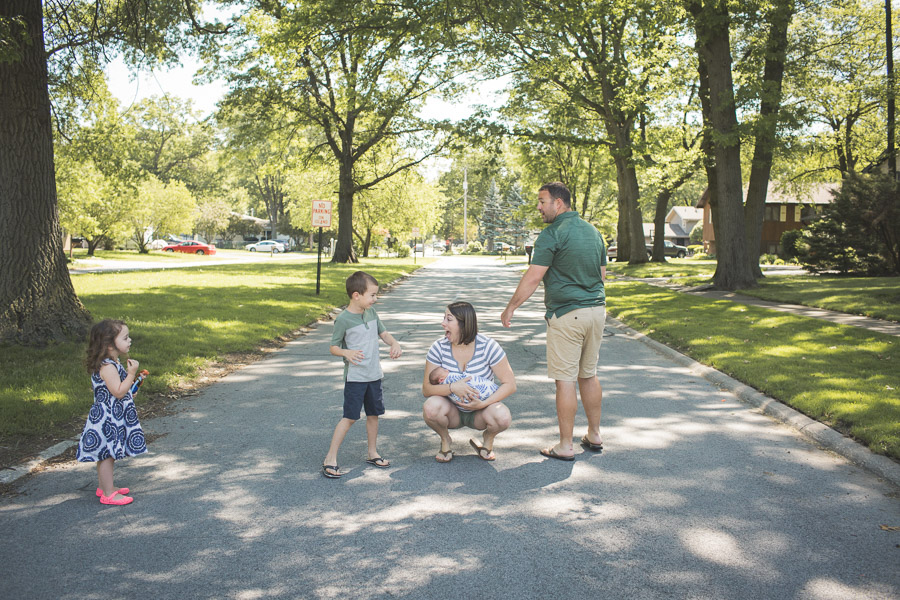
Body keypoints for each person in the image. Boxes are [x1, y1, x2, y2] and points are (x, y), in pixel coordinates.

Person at [501, 181, 607, 461]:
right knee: (589, 374)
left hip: (567, 314)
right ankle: (594, 434)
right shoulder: (594, 232)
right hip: (597, 311)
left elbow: (534, 276)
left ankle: (565, 445)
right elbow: (602, 276)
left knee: (565, 380)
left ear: (558, 203)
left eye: (542, 201)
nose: (539, 207)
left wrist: (511, 307)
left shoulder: (551, 234)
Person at [323, 271, 402, 478]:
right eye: (372, 295)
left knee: (374, 415)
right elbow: (333, 347)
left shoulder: (371, 314)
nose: (375, 299)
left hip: (374, 375)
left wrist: (394, 343)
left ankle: (372, 452)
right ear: (356, 295)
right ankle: (330, 457)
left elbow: (383, 333)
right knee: (349, 417)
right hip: (356, 378)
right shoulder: (343, 319)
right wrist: (345, 352)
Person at [423, 301, 515, 462]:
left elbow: (510, 384)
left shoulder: (488, 346)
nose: (443, 323)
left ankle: (488, 438)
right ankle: (445, 440)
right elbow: (426, 389)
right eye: (444, 318)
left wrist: (482, 403)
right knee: (430, 408)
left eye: (449, 319)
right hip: (451, 410)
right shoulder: (438, 347)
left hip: (481, 412)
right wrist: (452, 387)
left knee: (503, 417)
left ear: (464, 324)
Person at [76, 319, 148, 505]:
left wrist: (132, 387)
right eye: (125, 338)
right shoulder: (107, 367)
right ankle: (108, 494)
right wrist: (131, 374)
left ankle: (105, 487)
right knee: (107, 454)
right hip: (107, 418)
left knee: (107, 453)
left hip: (112, 414)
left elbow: (120, 391)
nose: (130, 340)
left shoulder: (112, 362)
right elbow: (117, 391)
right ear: (109, 345)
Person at [428, 366, 499, 407]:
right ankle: (490, 392)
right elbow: (426, 391)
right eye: (444, 370)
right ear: (441, 380)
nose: (447, 369)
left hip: (482, 405)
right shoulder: (449, 378)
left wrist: (483, 404)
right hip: (456, 408)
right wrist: (452, 387)